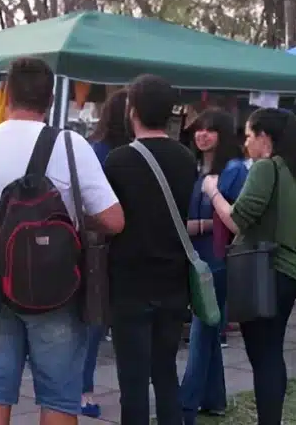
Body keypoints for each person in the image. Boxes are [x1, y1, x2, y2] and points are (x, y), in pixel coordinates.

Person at [0, 57, 124, 425]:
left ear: (7, 94)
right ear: (49, 99)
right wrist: (71, 219)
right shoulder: (72, 145)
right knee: (59, 395)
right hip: (57, 287)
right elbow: (114, 220)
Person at [207, 107, 296, 425]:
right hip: (289, 273)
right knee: (271, 353)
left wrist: (213, 192)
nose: (246, 143)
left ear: (265, 138)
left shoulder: (266, 168)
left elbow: (239, 220)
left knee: (262, 356)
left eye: (250, 135)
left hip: (264, 272)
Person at [102, 75, 195, 425]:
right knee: (166, 373)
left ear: (133, 110)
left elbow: (109, 220)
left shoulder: (118, 160)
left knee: (134, 382)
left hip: (129, 283)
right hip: (173, 282)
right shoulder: (186, 159)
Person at [179, 109, 247, 424]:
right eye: (198, 129)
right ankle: (214, 399)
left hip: (218, 260)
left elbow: (235, 219)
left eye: (210, 130)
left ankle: (185, 405)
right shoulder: (196, 168)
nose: (202, 135)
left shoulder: (233, 170)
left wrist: (198, 225)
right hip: (198, 258)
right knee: (207, 328)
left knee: (203, 329)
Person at [80, 88, 130, 419]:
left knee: (104, 323)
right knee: (94, 324)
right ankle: (83, 389)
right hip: (102, 246)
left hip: (117, 246)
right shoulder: (100, 151)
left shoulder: (113, 150)